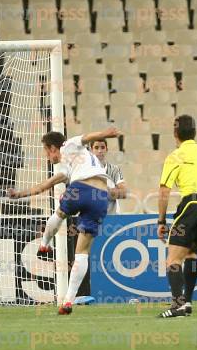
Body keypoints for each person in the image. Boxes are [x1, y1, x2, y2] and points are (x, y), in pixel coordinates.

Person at [7, 127, 121, 315]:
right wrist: (21, 194)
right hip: (101, 196)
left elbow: (88, 136)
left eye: (45, 150)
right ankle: (68, 301)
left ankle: (44, 244)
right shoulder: (72, 164)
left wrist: (105, 134)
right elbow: (46, 184)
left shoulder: (69, 145)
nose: (46, 156)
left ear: (53, 148)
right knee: (82, 252)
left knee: (59, 214)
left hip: (81, 189)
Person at [157, 115, 197, 318]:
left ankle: (177, 305)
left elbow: (164, 190)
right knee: (191, 253)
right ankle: (187, 302)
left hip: (192, 206)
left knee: (173, 260)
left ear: (175, 134)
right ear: (195, 133)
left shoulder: (176, 156)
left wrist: (161, 221)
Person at [89, 139, 127, 214]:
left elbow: (123, 192)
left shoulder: (114, 169)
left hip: (112, 217)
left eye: (102, 147)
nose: (100, 151)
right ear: (91, 150)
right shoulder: (85, 171)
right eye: (96, 148)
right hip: (91, 217)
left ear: (106, 150)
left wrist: (101, 192)